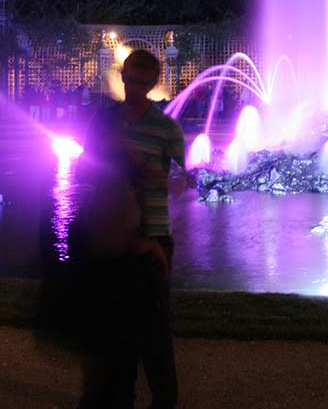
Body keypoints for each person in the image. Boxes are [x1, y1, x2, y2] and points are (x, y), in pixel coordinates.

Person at [77, 49, 185, 408]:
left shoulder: (166, 128)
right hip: (114, 233)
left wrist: (167, 178)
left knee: (155, 326)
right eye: (131, 81)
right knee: (116, 326)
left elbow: (188, 179)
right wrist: (120, 165)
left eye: (144, 83)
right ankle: (119, 398)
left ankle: (163, 399)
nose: (136, 88)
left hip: (154, 233)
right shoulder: (103, 120)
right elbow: (83, 170)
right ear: (122, 77)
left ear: (154, 83)